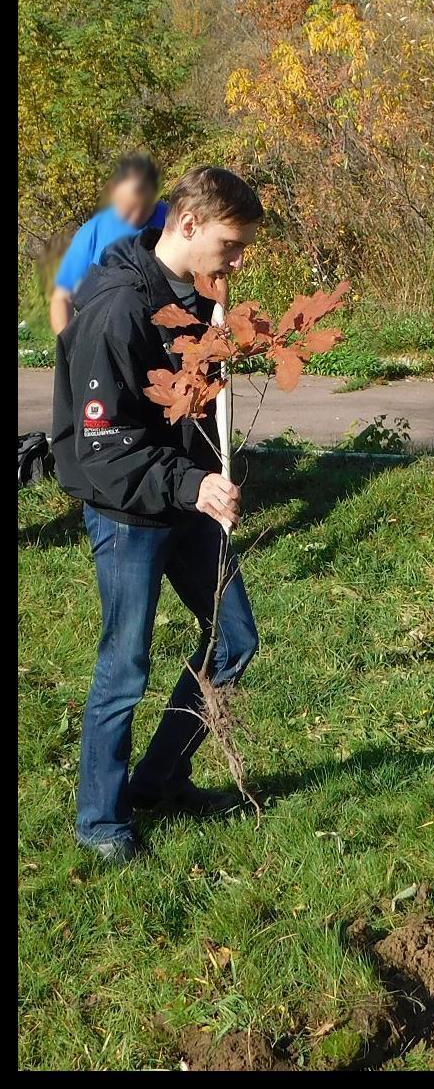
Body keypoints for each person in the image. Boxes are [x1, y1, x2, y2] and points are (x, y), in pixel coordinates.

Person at [50, 165, 265, 865]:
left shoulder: (193, 293)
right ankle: (100, 820)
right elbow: (103, 445)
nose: (237, 262)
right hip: (128, 511)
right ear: (190, 223)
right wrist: (191, 482)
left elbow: (184, 398)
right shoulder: (115, 308)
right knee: (125, 666)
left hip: (186, 496)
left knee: (232, 639)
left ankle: (160, 776)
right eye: (231, 245)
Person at [48, 153, 170, 336]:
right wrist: (68, 346)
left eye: (143, 206)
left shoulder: (173, 222)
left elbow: (210, 269)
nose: (135, 216)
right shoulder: (92, 232)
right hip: (106, 334)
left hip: (167, 333)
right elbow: (62, 296)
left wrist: (218, 308)